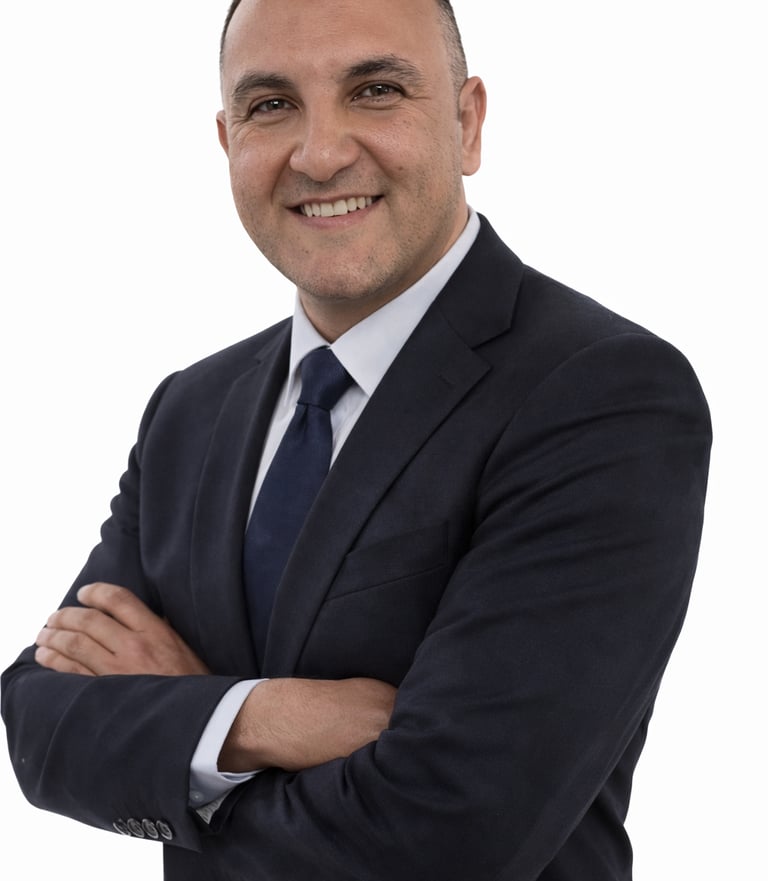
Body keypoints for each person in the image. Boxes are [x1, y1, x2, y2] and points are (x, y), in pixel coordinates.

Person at [1, 0, 711, 878]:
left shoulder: (602, 393)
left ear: (468, 122)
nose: (321, 152)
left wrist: (177, 730)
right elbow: (39, 726)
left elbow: (450, 837)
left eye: (375, 90)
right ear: (228, 143)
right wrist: (264, 717)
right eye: (271, 105)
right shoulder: (191, 407)